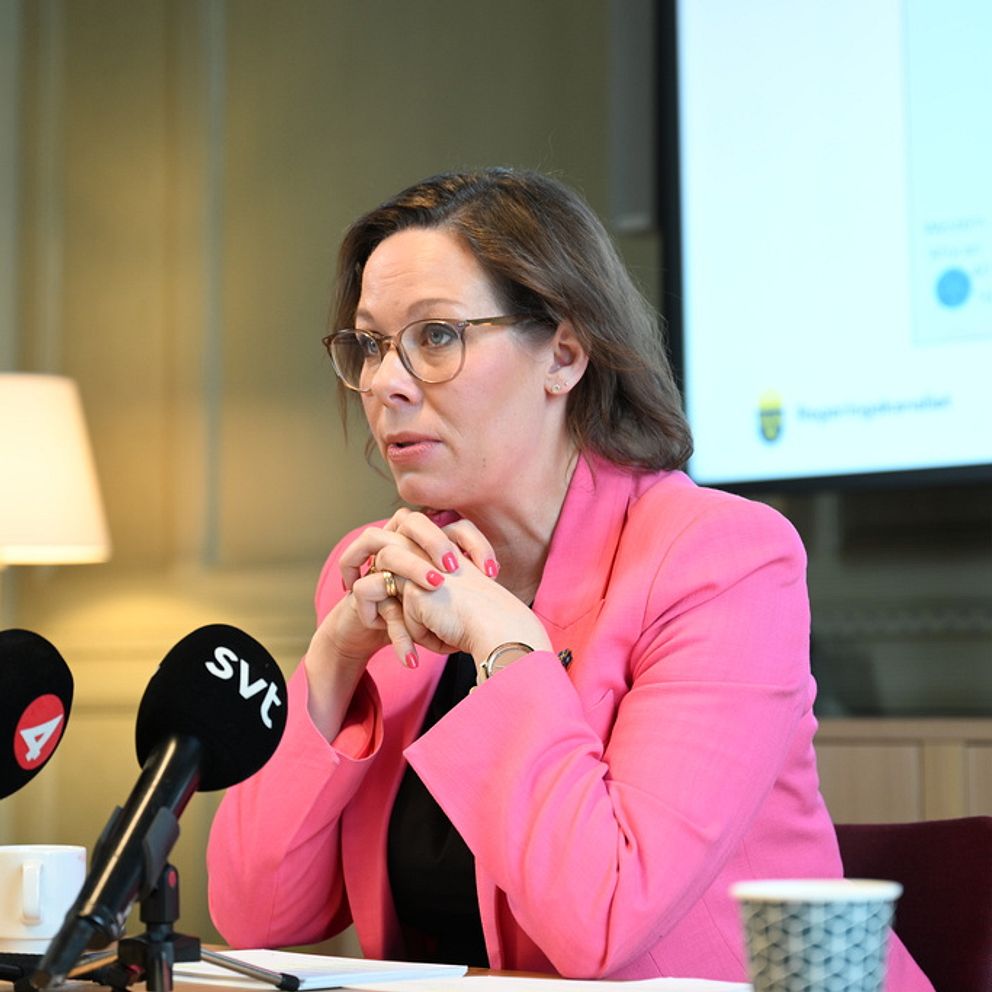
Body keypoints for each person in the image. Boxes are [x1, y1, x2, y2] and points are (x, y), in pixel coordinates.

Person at [206, 168, 933, 989]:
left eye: (435, 335)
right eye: (370, 345)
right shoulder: (387, 573)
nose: (384, 382)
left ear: (563, 354)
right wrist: (334, 659)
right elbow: (257, 915)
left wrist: (504, 643)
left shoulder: (723, 560)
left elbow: (603, 921)